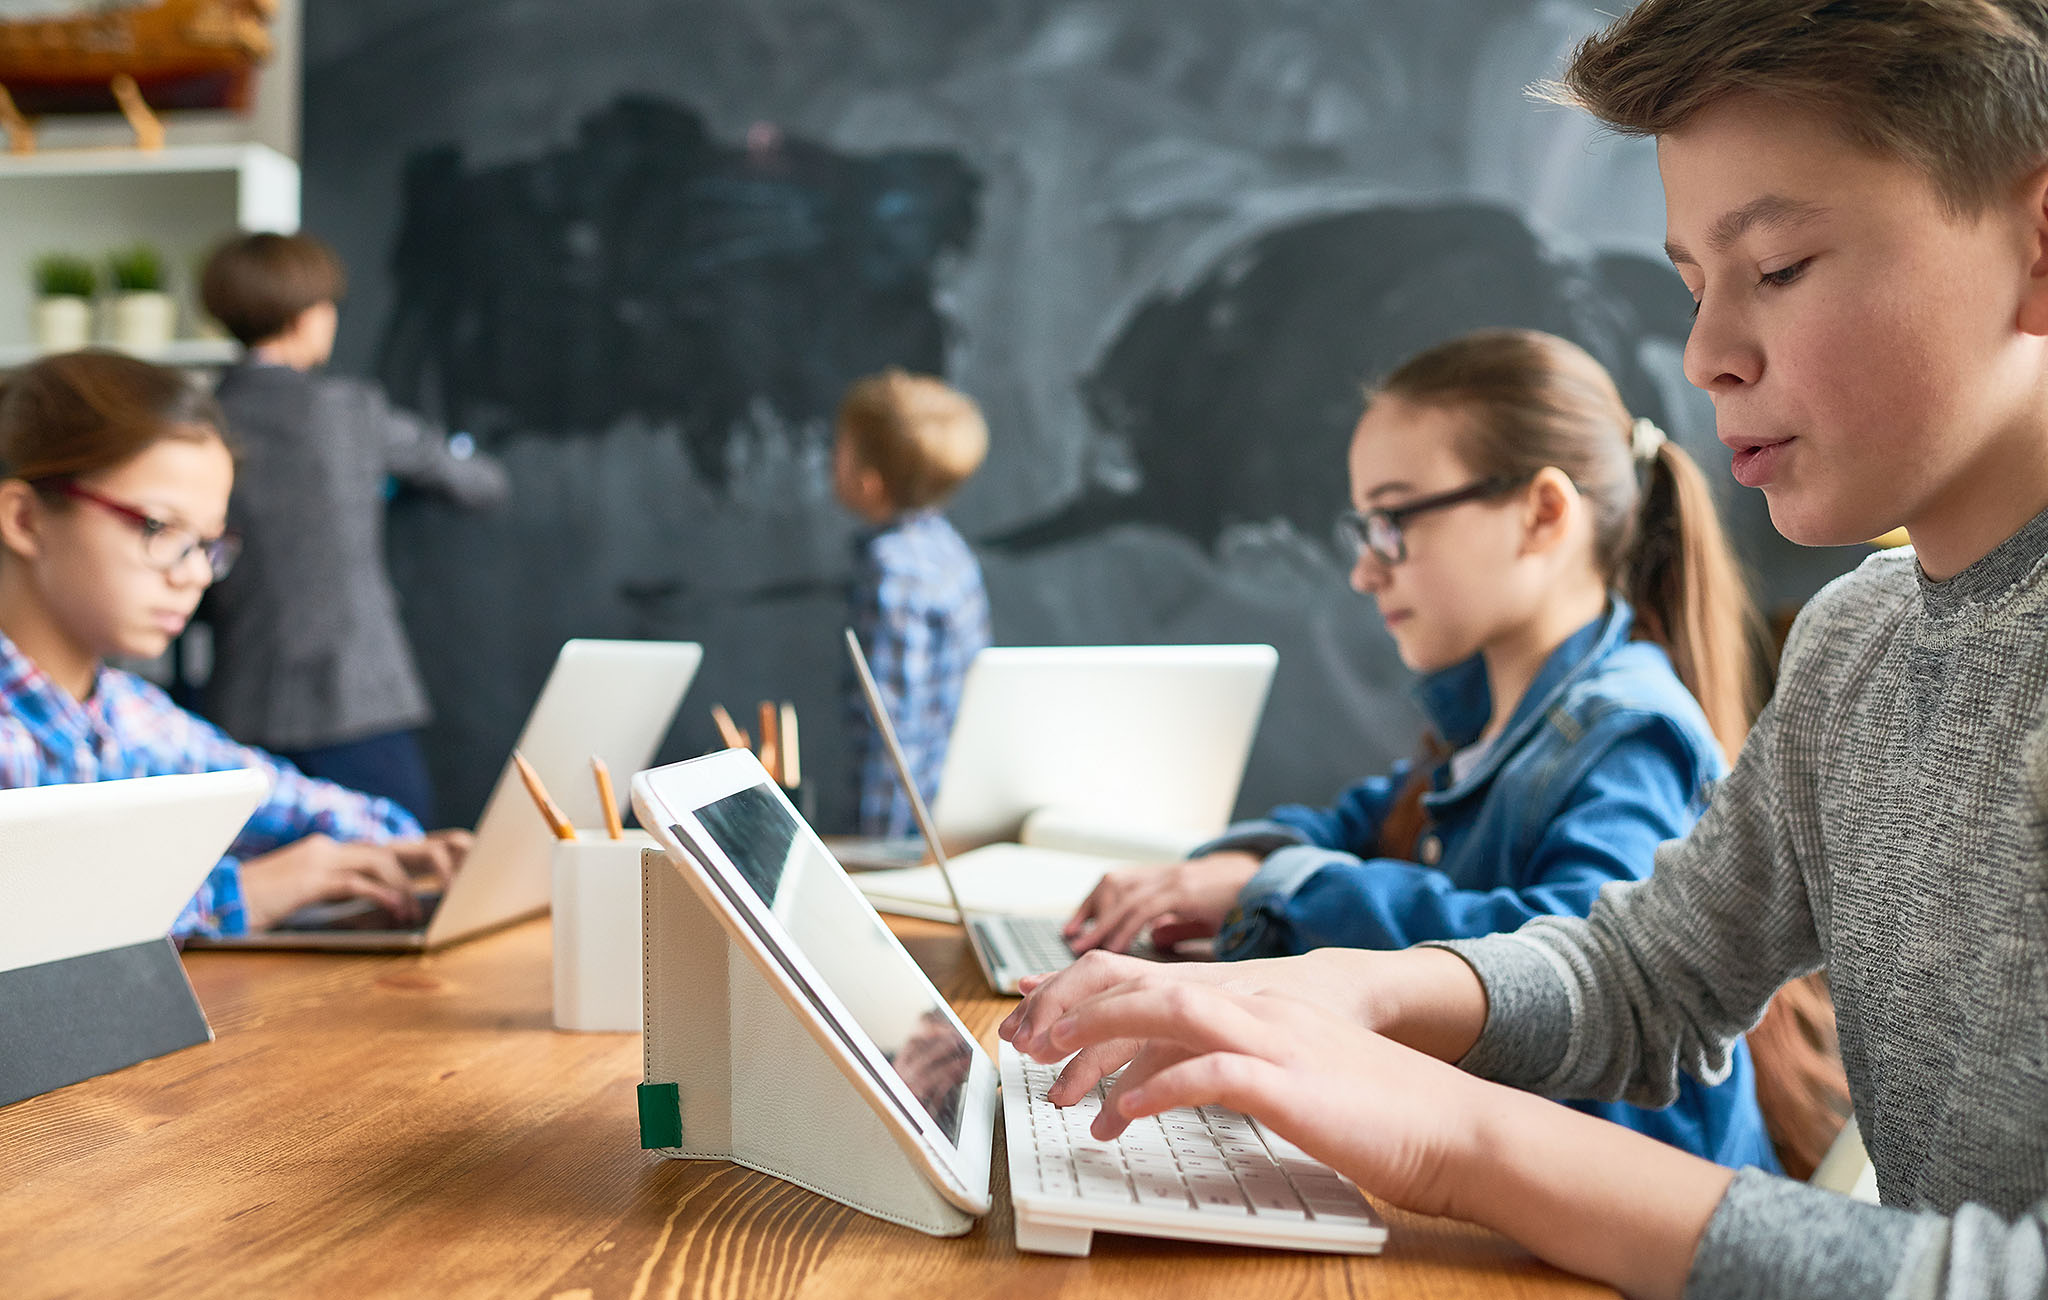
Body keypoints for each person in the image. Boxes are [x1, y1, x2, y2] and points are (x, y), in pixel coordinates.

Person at [1001, 2, 2048, 1295]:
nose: (1705, 355)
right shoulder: (1859, 641)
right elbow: (1644, 974)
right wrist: (1350, 994)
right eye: (1693, 287)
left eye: (1776, 268)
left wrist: (1447, 1136)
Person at [1062, 328, 1776, 1169]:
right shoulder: (1491, 718)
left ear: (1543, 514)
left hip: (1622, 1192)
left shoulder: (1629, 732)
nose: (1366, 571)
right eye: (1364, 528)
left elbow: (1572, 967)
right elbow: (1355, 825)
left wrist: (1280, 889)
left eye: (1394, 521)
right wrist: (1238, 872)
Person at [0, 350, 469, 937]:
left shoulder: (130, 714)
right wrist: (243, 893)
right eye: (159, 527)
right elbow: (29, 929)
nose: (197, 574)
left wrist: (411, 854)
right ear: (24, 519)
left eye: (208, 543)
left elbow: (293, 804)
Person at [198, 231, 509, 827]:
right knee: (401, 859)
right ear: (307, 315)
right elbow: (479, 484)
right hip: (357, 695)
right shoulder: (349, 409)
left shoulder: (205, 418)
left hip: (240, 698)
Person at [835, 368, 990, 837]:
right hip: (951, 813)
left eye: (839, 449)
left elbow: (891, 733)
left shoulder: (894, 574)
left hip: (906, 835)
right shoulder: (947, 548)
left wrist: (878, 853)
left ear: (871, 481)